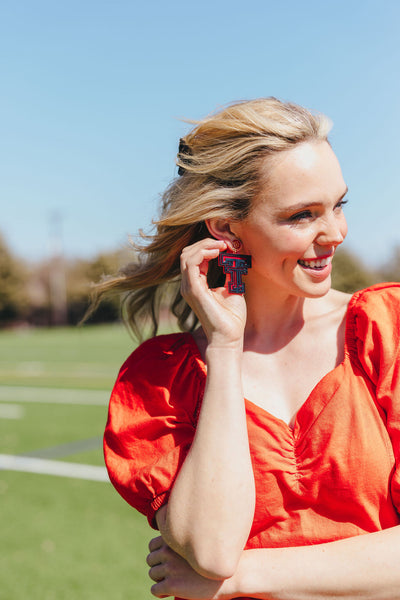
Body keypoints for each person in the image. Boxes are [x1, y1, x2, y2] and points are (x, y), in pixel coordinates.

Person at [98, 98, 400, 600]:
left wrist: (245, 576)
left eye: (339, 205)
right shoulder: (159, 378)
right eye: (303, 215)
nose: (336, 234)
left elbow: (218, 570)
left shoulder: (387, 330)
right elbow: (212, 548)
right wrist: (224, 347)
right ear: (225, 227)